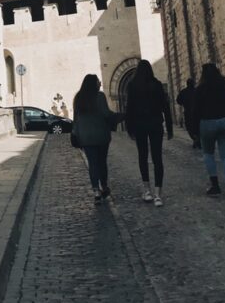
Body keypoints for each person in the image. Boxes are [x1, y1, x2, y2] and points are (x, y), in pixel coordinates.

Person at [124, 59, 173, 207]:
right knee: (157, 157)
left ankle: (147, 191)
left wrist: (129, 127)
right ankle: (158, 194)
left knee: (143, 156)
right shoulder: (157, 85)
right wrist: (169, 128)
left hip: (140, 125)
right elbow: (165, 107)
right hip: (155, 124)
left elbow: (129, 108)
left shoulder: (132, 86)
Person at [193, 63, 225, 200]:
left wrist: (195, 131)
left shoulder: (200, 89)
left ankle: (215, 185)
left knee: (208, 154)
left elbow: (195, 111)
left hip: (207, 123)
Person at [71, 74, 121, 204]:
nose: (100, 83)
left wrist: (75, 133)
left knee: (92, 164)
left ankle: (96, 191)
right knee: (102, 162)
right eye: (98, 81)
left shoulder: (79, 97)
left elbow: (76, 118)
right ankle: (104, 186)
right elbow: (106, 114)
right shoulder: (99, 96)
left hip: (86, 137)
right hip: (101, 136)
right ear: (94, 83)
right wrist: (120, 116)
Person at [176, 77, 200, 148]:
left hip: (188, 112)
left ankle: (195, 139)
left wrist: (184, 103)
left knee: (189, 127)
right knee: (197, 127)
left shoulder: (184, 92)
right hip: (197, 113)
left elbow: (178, 100)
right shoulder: (197, 91)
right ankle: (197, 139)